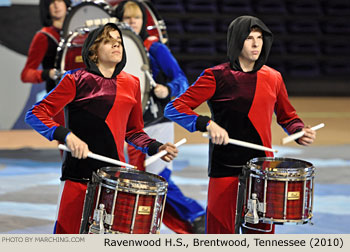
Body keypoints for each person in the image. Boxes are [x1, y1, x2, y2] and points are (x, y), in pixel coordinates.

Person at [164, 15, 317, 234]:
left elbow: (288, 117)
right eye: (249, 38)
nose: (256, 44)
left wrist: (299, 131)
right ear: (237, 41)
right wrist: (206, 124)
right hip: (225, 167)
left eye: (259, 38)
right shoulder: (216, 76)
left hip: (262, 171)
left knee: (261, 236)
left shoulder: (274, 77)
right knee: (220, 236)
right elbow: (174, 108)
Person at [25, 23, 178, 234]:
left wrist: (156, 147)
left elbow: (133, 131)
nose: (117, 44)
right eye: (109, 40)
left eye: (119, 41)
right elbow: (35, 114)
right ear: (93, 51)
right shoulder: (74, 79)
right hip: (77, 176)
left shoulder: (132, 83)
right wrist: (66, 136)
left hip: (113, 179)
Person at [114, 0, 206, 234]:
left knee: (156, 178)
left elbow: (182, 81)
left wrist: (169, 90)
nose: (132, 22)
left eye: (136, 18)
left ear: (144, 21)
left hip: (157, 122)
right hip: (131, 124)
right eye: (126, 18)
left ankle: (195, 214)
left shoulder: (155, 47)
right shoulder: (114, 49)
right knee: (139, 180)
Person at [21, 0, 70, 133]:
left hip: (84, 95)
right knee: (69, 145)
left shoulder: (79, 32)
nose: (56, 5)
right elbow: (26, 74)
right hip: (59, 98)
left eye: (59, 0)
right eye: (51, 2)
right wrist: (48, 73)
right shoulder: (43, 36)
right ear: (46, 8)